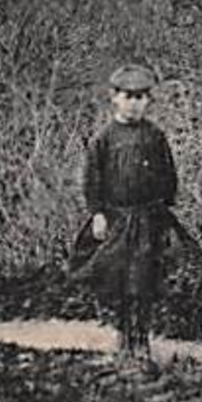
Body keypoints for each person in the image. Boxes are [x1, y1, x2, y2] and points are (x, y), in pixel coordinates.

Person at [80, 63, 180, 367]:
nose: (135, 102)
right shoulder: (104, 139)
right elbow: (91, 179)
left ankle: (142, 340)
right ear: (114, 97)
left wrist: (164, 209)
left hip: (148, 219)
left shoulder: (155, 136)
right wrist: (98, 213)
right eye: (128, 95)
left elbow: (168, 175)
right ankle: (123, 336)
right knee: (120, 280)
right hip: (117, 220)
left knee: (145, 280)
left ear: (148, 100)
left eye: (141, 96)